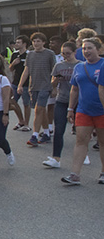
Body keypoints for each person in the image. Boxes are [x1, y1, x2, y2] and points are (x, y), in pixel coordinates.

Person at [61, 37, 104, 185]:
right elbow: (74, 89)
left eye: (90, 48)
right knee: (80, 141)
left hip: (101, 110)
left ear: (98, 49)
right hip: (84, 110)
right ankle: (75, 175)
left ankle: (103, 173)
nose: (86, 51)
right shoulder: (79, 67)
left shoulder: (103, 64)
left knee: (102, 142)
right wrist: (70, 108)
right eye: (84, 48)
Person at [17, 32, 57, 146]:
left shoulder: (49, 54)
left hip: (46, 85)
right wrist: (20, 85)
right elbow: (26, 70)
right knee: (41, 110)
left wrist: (54, 87)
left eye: (38, 41)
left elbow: (54, 71)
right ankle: (46, 133)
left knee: (39, 109)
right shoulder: (30, 55)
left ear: (44, 42)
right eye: (34, 41)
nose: (36, 43)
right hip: (34, 86)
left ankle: (34, 135)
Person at [44, 41, 78, 169]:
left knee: (80, 131)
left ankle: (84, 154)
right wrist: (56, 80)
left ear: (75, 52)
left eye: (68, 53)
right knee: (59, 129)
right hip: (62, 99)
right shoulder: (58, 66)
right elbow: (52, 84)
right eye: (63, 53)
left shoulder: (80, 66)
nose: (65, 56)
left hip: (78, 101)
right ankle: (56, 158)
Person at [9, 35, 31, 130]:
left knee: (26, 104)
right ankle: (21, 120)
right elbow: (10, 69)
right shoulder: (15, 54)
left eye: (18, 42)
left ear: (24, 44)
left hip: (26, 83)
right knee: (12, 101)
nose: (16, 44)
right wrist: (13, 63)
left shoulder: (29, 54)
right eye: (16, 42)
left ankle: (26, 124)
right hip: (15, 81)